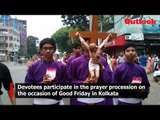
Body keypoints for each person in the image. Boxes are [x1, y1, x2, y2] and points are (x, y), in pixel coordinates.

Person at [68, 38, 113, 105]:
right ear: (82, 44)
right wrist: (82, 83)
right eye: (89, 42)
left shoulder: (103, 61)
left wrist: (101, 68)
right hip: (81, 99)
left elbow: (109, 80)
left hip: (99, 98)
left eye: (94, 43)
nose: (92, 45)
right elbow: (69, 81)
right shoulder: (75, 62)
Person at [25, 38, 67, 105]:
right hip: (38, 103)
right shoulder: (34, 66)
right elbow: (27, 87)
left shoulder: (62, 67)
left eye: (50, 48)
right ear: (41, 50)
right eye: (45, 48)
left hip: (56, 102)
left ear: (54, 50)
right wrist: (42, 84)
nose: (48, 51)